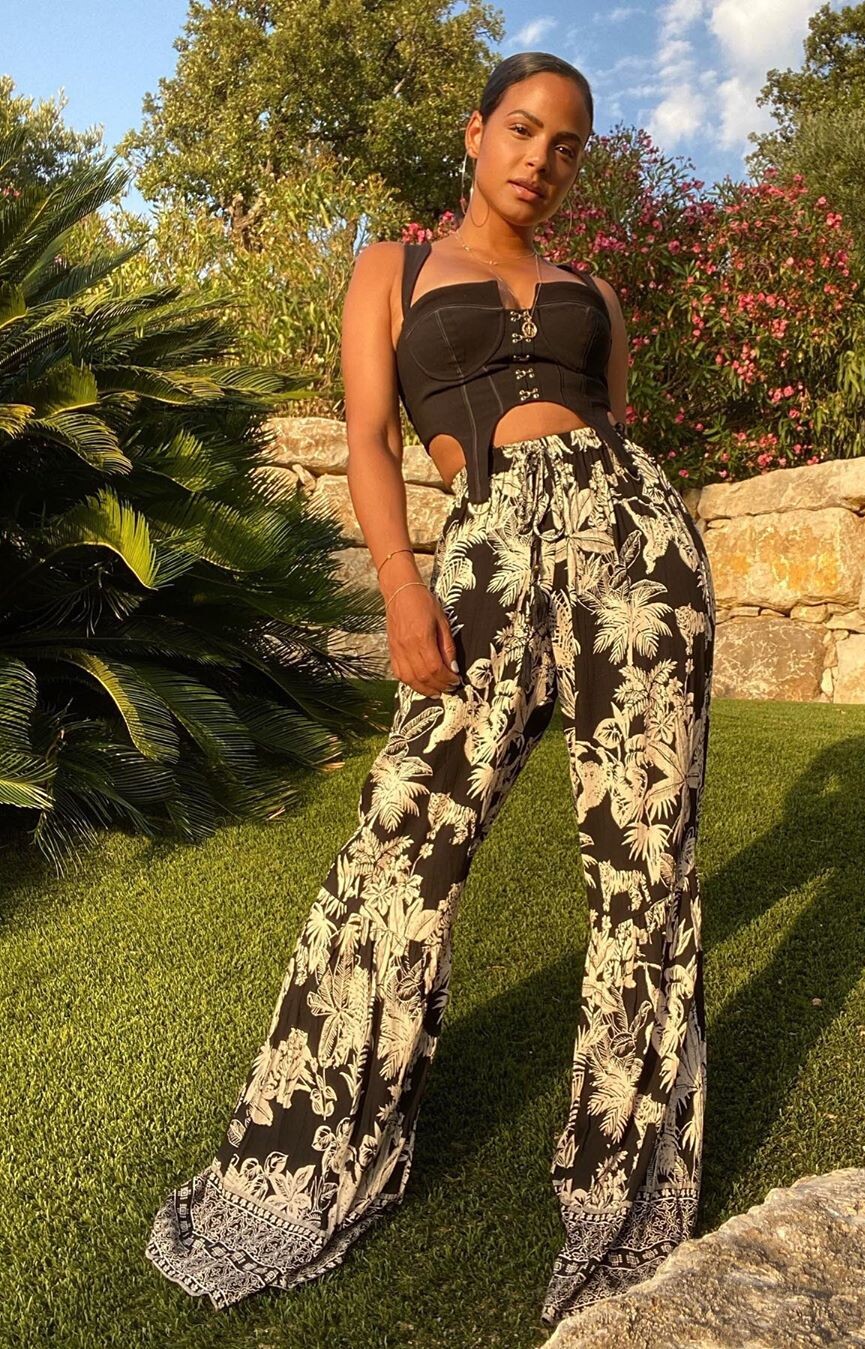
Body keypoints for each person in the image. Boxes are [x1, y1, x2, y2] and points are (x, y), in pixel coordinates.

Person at [145, 50, 716, 1329]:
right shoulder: (389, 272)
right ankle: (313, 1152)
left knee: (647, 867)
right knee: (400, 847)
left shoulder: (596, 293)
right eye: (523, 129)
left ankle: (622, 1187)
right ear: (475, 132)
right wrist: (404, 585)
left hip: (640, 559)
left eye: (567, 145)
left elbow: (616, 433)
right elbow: (368, 438)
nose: (541, 159)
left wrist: (648, 545)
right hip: (484, 558)